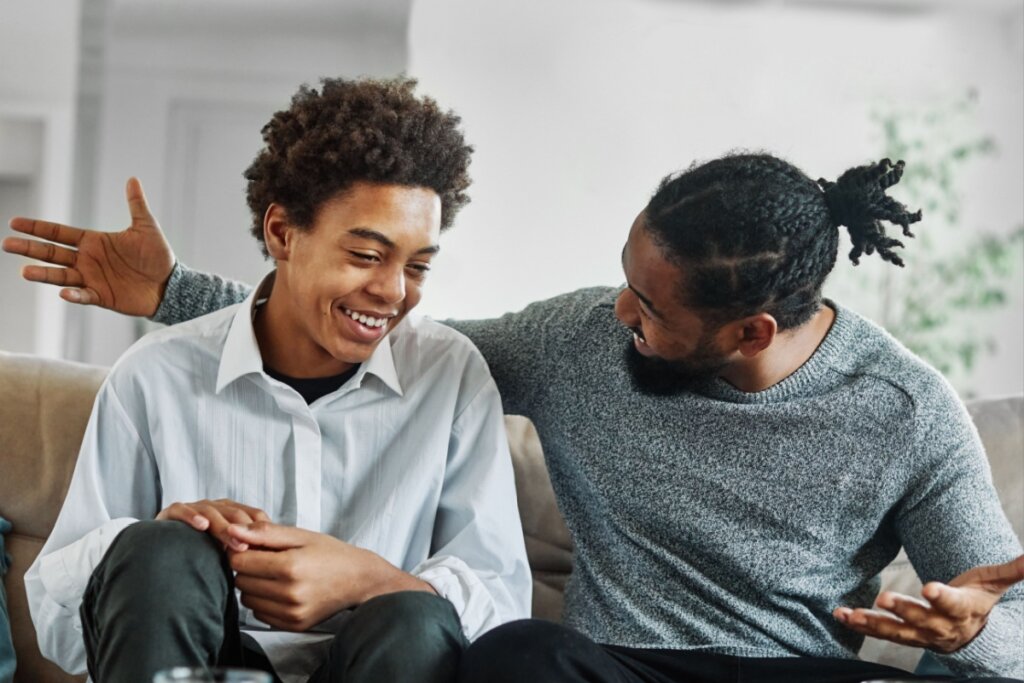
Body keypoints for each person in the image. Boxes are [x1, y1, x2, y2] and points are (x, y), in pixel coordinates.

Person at [6, 152, 1023, 682]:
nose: (616, 312)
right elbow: (388, 337)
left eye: (648, 307)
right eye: (624, 278)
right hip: (607, 669)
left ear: (750, 330)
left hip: (785, 674)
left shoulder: (908, 412)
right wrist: (176, 293)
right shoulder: (581, 339)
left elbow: (1002, 626)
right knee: (512, 658)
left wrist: (969, 632)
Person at [15, 77, 531, 683]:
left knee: (415, 618)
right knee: (160, 549)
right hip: (197, 663)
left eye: (417, 266)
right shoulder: (156, 374)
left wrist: (365, 577)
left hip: (375, 664)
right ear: (282, 232)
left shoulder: (451, 374)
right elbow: (59, 630)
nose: (394, 292)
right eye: (366, 256)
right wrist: (158, 543)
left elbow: (501, 611)